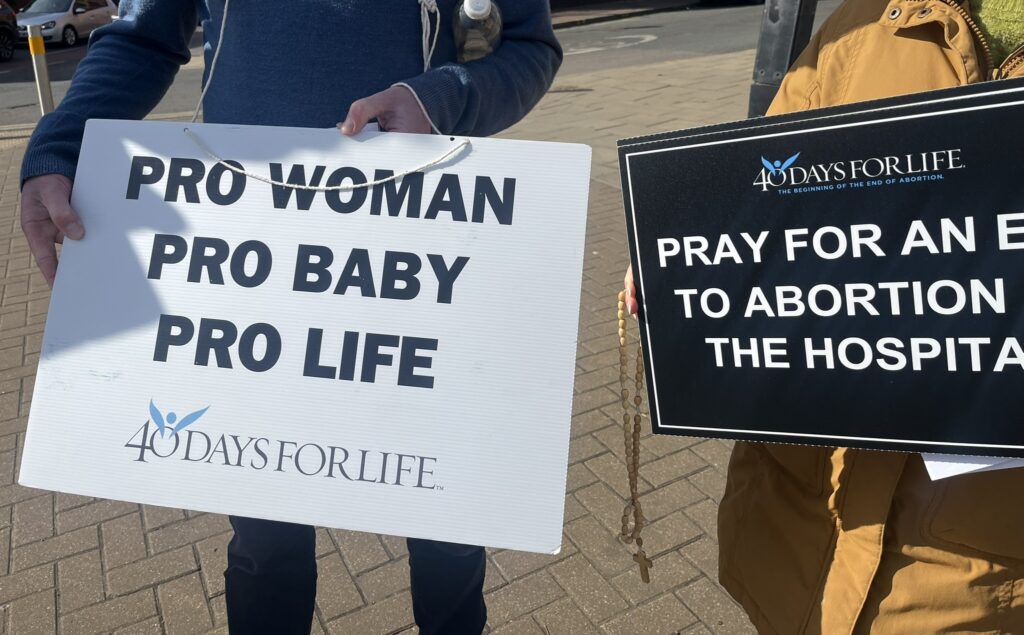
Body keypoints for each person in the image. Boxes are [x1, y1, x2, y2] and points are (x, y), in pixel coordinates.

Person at [20, 1, 561, 633]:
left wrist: (444, 96)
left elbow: (527, 45)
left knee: (446, 532)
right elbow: (142, 38)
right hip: (253, 255)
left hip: (417, 251)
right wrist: (59, 145)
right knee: (265, 537)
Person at [625, 0, 1024, 631]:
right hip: (802, 531)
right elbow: (762, 183)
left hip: (968, 578)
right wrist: (686, 254)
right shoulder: (861, 26)